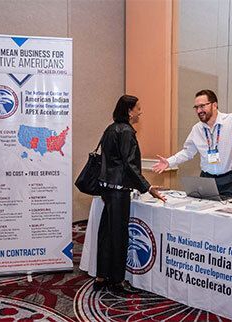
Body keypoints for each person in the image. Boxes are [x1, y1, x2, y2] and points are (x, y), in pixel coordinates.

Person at [94, 95, 166, 293]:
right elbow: (129, 166)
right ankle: (117, 280)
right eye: (138, 108)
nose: (140, 112)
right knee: (118, 236)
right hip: (119, 192)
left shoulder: (110, 129)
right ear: (129, 111)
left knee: (106, 234)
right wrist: (148, 188)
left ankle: (101, 276)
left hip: (107, 189)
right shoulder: (126, 131)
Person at [153, 89, 232, 199]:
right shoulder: (197, 129)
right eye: (196, 107)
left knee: (227, 213)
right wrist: (169, 162)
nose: (199, 111)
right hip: (207, 180)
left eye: (202, 106)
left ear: (214, 105)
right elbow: (187, 152)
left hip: (231, 180)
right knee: (204, 212)